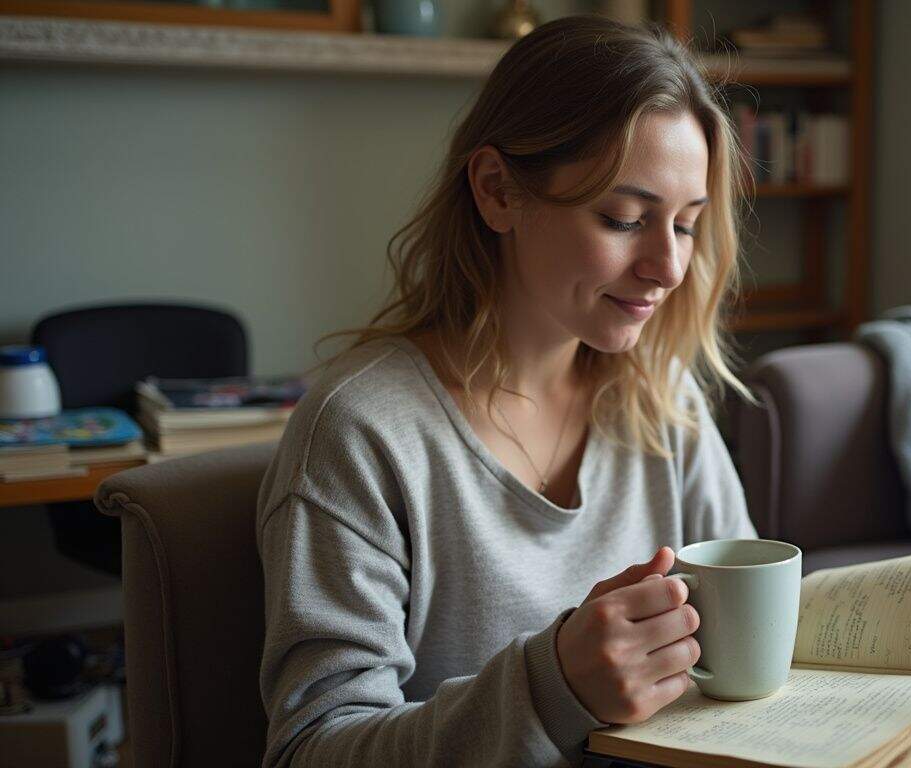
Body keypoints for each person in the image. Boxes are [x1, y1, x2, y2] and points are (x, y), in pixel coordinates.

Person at [254, 14, 760, 768]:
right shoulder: (362, 432)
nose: (668, 267)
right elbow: (311, 750)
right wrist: (554, 685)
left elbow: (745, 639)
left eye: (685, 227)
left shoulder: (663, 398)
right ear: (497, 192)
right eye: (624, 218)